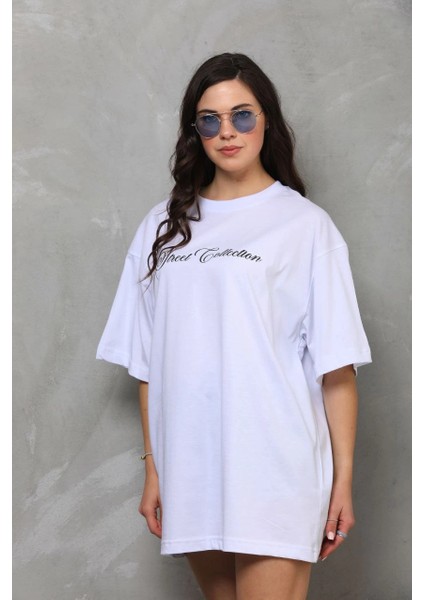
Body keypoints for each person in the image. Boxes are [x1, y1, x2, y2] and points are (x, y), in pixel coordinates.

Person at [96, 52, 372, 600]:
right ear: (194, 131)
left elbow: (336, 367)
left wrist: (342, 481)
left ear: (266, 120)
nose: (227, 132)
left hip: (277, 466)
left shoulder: (304, 226)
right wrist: (155, 470)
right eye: (210, 120)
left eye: (242, 115)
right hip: (192, 470)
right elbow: (149, 364)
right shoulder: (162, 227)